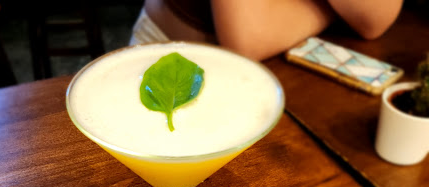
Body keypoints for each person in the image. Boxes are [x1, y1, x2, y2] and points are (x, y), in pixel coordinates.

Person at [130, 0, 404, 61]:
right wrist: (331, 10)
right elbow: (248, 39)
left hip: (289, 65)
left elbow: (376, 18)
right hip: (177, 56)